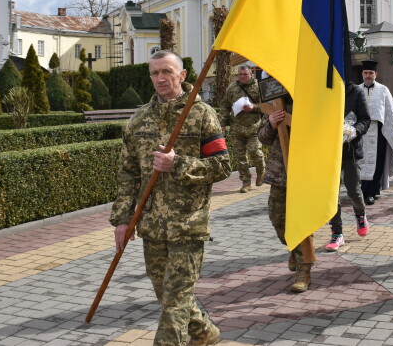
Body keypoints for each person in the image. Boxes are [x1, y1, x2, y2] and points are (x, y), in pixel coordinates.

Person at [111, 50, 230, 346]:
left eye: (167, 71)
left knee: (175, 303)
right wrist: (122, 221)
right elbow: (128, 175)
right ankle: (204, 333)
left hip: (188, 224)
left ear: (182, 75)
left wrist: (177, 164)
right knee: (168, 296)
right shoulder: (138, 120)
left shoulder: (202, 115)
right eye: (155, 73)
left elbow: (223, 166)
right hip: (150, 225)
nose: (160, 78)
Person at [258, 95, 316, 293]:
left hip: (305, 171)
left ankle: (303, 271)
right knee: (277, 218)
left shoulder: (312, 98)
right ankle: (294, 248)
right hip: (279, 173)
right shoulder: (275, 102)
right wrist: (271, 125)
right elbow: (262, 138)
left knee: (302, 222)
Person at [326, 81, 371, 251]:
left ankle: (360, 215)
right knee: (331, 194)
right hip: (329, 150)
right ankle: (337, 233)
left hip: (350, 150)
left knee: (353, 190)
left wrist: (355, 131)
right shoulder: (325, 90)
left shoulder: (356, 92)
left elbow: (365, 119)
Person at [220, 64, 265, 193]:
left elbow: (267, 106)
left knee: (255, 152)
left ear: (250, 74)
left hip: (254, 128)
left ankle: (261, 171)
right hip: (236, 129)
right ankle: (246, 182)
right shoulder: (232, 88)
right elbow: (224, 106)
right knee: (240, 158)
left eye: (245, 74)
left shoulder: (258, 87)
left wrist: (253, 108)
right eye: (240, 74)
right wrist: (222, 123)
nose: (242, 77)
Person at [358, 61, 393, 206]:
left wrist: (389, 129)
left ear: (376, 74)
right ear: (362, 74)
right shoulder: (356, 90)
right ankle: (362, 190)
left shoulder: (383, 90)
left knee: (377, 161)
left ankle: (372, 192)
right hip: (360, 132)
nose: (368, 76)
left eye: (371, 73)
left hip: (378, 131)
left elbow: (390, 111)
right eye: (366, 73)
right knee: (361, 161)